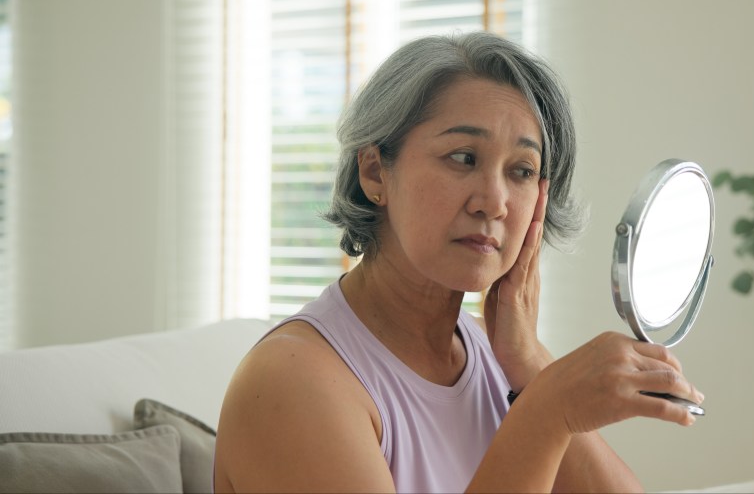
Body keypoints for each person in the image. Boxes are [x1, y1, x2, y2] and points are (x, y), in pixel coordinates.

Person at [213, 32, 704, 493]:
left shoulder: (498, 356)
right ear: (375, 172)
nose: (494, 202)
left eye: (521, 171)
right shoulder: (293, 381)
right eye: (463, 158)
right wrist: (548, 410)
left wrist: (532, 366)